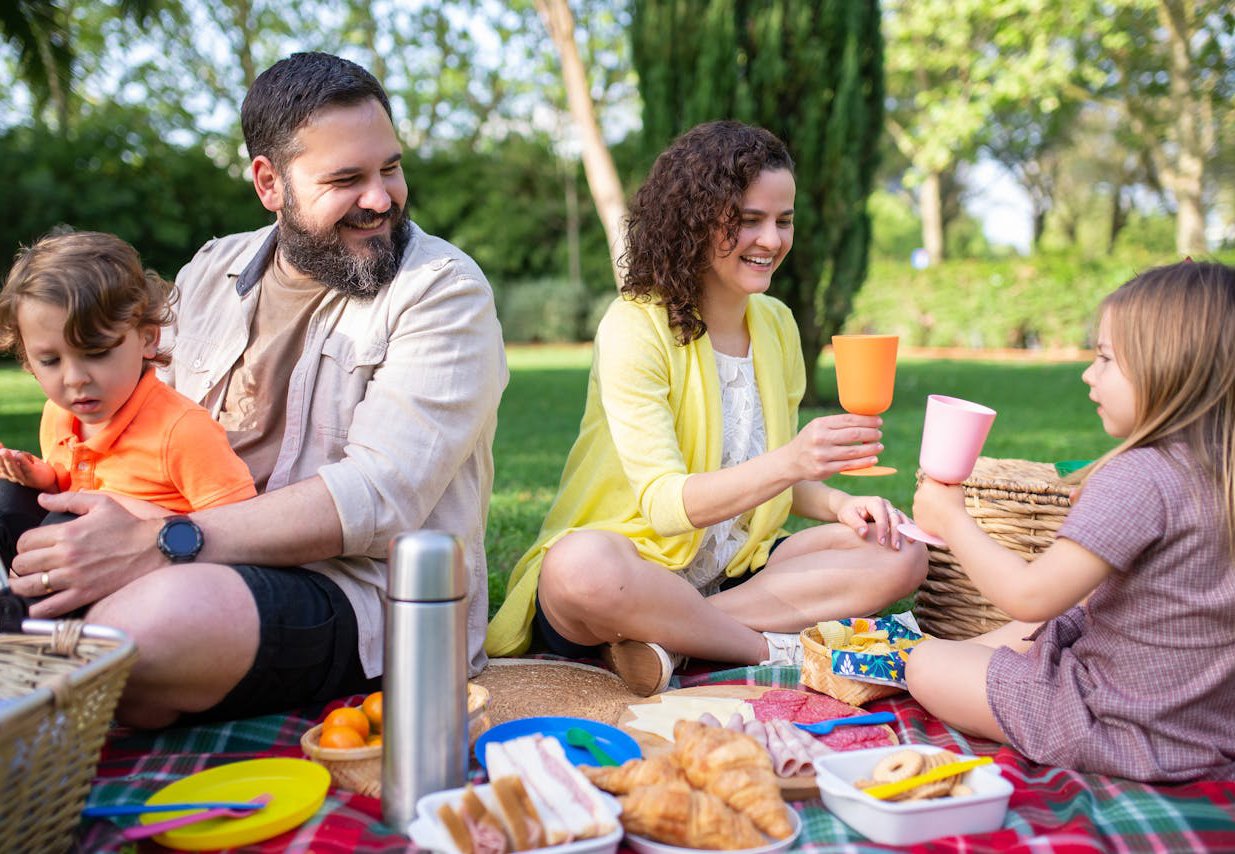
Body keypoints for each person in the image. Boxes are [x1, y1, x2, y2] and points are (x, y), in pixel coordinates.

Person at [3, 52, 507, 728]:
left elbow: (379, 500)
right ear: (269, 184)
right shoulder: (212, 270)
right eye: (346, 178)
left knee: (136, 632)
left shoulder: (443, 290)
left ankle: (60, 666)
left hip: (356, 592)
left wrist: (157, 541)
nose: (382, 197)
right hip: (181, 544)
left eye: (389, 167)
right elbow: (140, 425)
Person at [486, 121, 926, 696]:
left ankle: (671, 640)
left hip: (732, 574)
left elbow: (764, 477)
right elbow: (667, 506)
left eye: (783, 220)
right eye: (748, 220)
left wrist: (843, 503)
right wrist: (794, 460)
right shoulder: (635, 325)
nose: (771, 239)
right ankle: (770, 649)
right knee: (578, 567)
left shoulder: (776, 324)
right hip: (631, 569)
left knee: (901, 552)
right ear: (694, 219)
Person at [905, 260, 1235, 783]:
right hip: (1207, 730)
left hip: (1116, 727)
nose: (1088, 373)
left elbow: (1030, 596)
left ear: (1166, 365)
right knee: (1042, 629)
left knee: (923, 665)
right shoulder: (1221, 471)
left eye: (1105, 358)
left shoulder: (1140, 476)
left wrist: (951, 519)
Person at [0, 232, 257, 571]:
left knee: (64, 525)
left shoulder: (181, 431)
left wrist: (141, 518)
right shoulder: (59, 416)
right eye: (50, 361)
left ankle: (27, 606)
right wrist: (44, 479)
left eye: (97, 353)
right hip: (80, 562)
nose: (74, 378)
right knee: (8, 500)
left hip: (155, 573)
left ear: (147, 338)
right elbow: (75, 485)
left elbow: (243, 530)